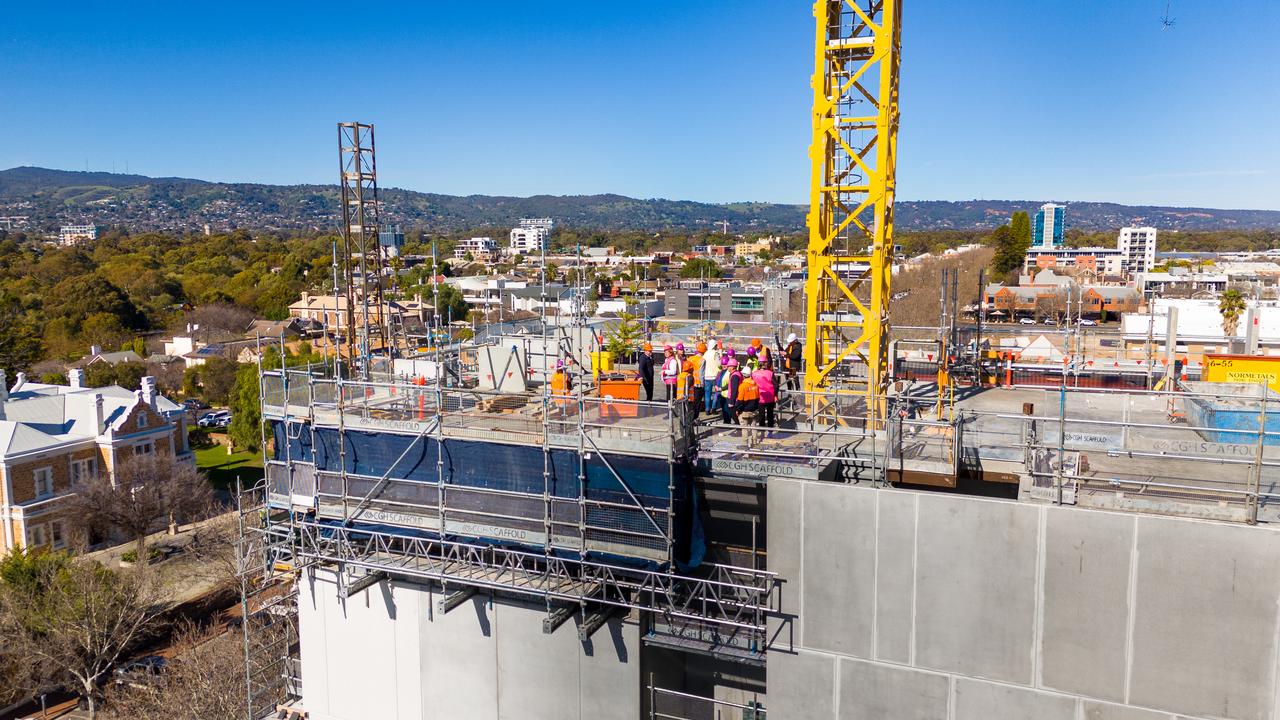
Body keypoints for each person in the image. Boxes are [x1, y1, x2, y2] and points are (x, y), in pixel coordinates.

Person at [735, 369, 761, 441]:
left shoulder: (742, 386)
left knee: (744, 428)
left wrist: (738, 410)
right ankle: (755, 441)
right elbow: (758, 398)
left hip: (745, 411)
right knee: (754, 427)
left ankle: (745, 443)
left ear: (743, 376)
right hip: (754, 410)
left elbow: (740, 400)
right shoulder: (755, 384)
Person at [753, 358, 777, 428]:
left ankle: (762, 429)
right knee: (770, 414)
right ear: (766, 363)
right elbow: (776, 385)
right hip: (770, 396)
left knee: (761, 414)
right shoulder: (770, 373)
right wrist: (775, 395)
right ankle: (770, 429)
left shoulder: (754, 374)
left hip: (760, 397)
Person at [718, 357, 743, 425]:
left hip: (734, 399)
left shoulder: (735, 376)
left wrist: (732, 402)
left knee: (734, 415)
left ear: (733, 367)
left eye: (729, 366)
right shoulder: (736, 373)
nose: (728, 367)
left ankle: (739, 428)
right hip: (735, 398)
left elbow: (734, 389)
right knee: (734, 415)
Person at [702, 340, 722, 416]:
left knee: (707, 394)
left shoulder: (706, 353)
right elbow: (719, 364)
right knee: (717, 393)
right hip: (715, 376)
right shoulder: (715, 353)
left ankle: (707, 410)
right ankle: (713, 408)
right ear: (714, 346)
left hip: (707, 376)